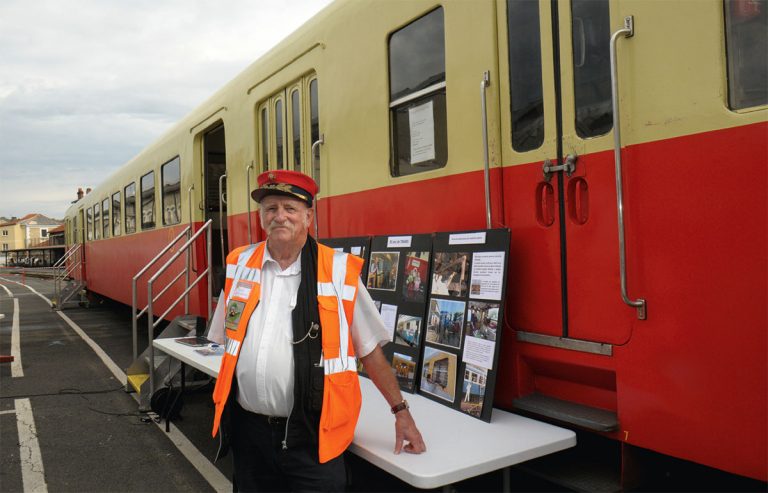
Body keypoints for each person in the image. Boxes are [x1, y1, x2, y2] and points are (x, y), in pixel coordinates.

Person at [207, 170, 425, 492]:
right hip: (249, 434)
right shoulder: (239, 266)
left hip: (313, 436)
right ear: (261, 217)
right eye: (271, 208)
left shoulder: (338, 271)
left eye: (289, 208)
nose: (279, 216)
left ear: (308, 215)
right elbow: (227, 343)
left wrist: (400, 411)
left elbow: (368, 350)